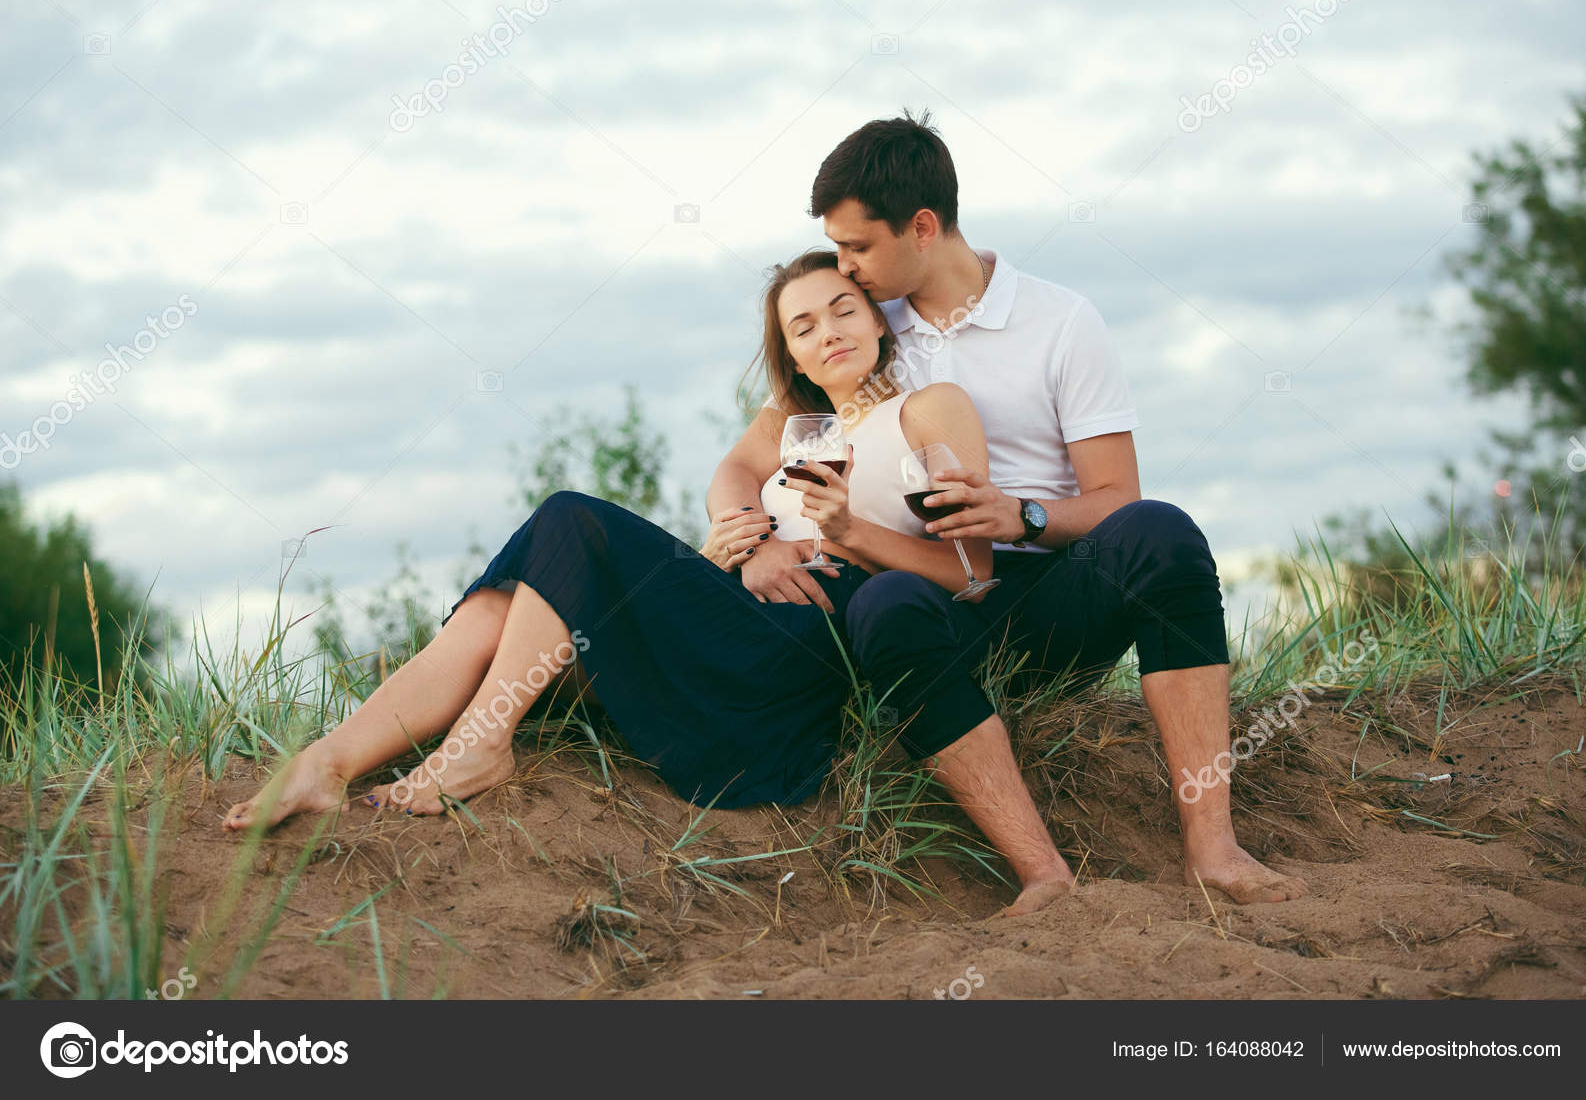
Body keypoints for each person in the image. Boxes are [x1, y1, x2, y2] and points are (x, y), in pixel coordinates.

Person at [223, 249, 1080, 916]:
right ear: (791, 354)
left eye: (844, 310)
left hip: (799, 651)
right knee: (509, 598)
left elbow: (974, 573)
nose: (829, 333)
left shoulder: (928, 410)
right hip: (733, 618)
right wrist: (750, 546)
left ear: (881, 322)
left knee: (569, 521)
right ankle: (326, 762)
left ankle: (478, 742)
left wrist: (851, 533)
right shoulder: (792, 422)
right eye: (804, 327)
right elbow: (730, 477)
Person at [705, 110, 1309, 905]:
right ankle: (1043, 874)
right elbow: (758, 448)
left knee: (1162, 531)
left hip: (1048, 596)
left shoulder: (1061, 322)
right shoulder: (857, 325)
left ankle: (1215, 850)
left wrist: (1019, 516)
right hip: (924, 595)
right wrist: (750, 541)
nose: (843, 269)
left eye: (858, 247)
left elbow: (1114, 500)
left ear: (921, 227)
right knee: (887, 602)